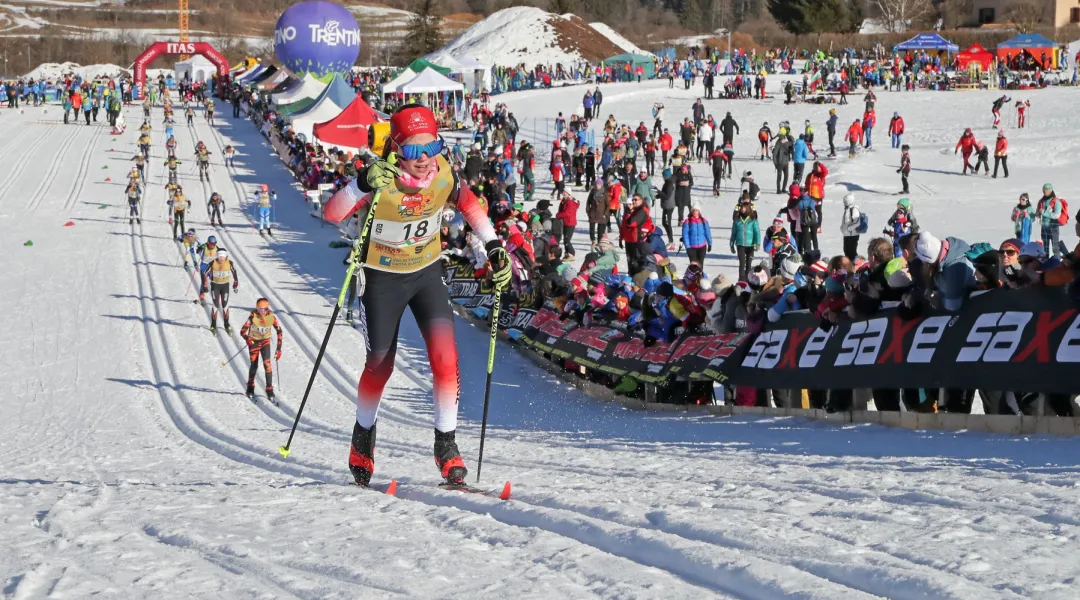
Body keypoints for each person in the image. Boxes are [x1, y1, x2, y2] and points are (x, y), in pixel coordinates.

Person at [321, 104, 510, 487]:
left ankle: (446, 446)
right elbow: (331, 214)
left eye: (432, 146)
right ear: (396, 146)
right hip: (382, 280)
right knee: (380, 364)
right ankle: (363, 439)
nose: (424, 158)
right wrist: (359, 183)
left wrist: (493, 245)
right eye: (412, 150)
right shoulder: (380, 180)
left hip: (425, 274)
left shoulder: (443, 174)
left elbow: (470, 204)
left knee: (446, 359)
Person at [240, 298, 283, 403]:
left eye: (264, 309)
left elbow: (279, 331)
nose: (262, 311)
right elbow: (243, 331)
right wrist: (247, 339)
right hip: (254, 343)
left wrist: (278, 349)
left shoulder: (271, 317)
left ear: (267, 308)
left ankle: (269, 389)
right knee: (254, 365)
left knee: (267, 364)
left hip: (265, 343)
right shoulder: (252, 317)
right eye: (259, 309)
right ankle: (250, 386)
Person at [204, 249, 238, 333]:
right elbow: (204, 273)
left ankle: (226, 324)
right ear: (217, 256)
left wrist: (235, 282)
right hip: (215, 285)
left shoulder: (229, 263)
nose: (221, 258)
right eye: (219, 256)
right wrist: (205, 285)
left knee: (225, 305)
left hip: (225, 286)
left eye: (223, 256)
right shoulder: (213, 263)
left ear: (226, 256)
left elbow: (234, 272)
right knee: (215, 304)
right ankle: (213, 325)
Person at [729, 197, 759, 281]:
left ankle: (748, 281)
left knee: (749, 265)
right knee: (742, 264)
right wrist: (731, 244)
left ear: (748, 208)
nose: (742, 209)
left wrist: (758, 243)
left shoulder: (753, 220)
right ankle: (741, 281)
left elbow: (757, 232)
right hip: (740, 244)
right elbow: (733, 233)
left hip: (751, 245)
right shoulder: (737, 220)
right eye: (741, 207)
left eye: (744, 207)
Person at [1035, 183, 1063, 258]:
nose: (1044, 191)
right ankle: (1045, 263)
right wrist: (1038, 213)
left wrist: (1044, 212)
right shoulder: (1041, 201)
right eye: (1043, 189)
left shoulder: (1056, 201)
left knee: (1055, 248)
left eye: (1047, 189)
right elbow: (1037, 214)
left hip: (1053, 228)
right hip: (1044, 228)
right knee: (1045, 248)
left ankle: (1057, 264)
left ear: (1051, 190)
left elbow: (1057, 215)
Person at [555, 190, 579, 259]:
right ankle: (567, 253)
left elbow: (568, 213)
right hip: (565, 222)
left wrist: (559, 215)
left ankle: (571, 253)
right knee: (565, 239)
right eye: (563, 192)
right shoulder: (564, 200)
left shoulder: (570, 202)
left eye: (564, 192)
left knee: (567, 240)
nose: (563, 193)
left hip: (570, 223)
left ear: (568, 193)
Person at [839, 193, 862, 261]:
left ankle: (855, 265)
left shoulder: (854, 209)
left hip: (852, 235)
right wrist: (842, 228)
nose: (843, 203)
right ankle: (849, 265)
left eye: (845, 201)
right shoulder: (847, 209)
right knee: (846, 251)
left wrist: (849, 228)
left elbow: (857, 221)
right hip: (847, 235)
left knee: (852, 252)